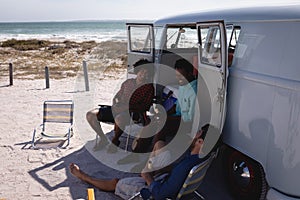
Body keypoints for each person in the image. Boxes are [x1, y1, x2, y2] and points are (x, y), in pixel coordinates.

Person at [69, 124, 211, 200]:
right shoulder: (200, 157)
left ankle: (83, 176)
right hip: (168, 181)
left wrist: (148, 177)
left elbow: (160, 194)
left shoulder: (186, 166)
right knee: (160, 145)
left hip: (154, 192)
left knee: (116, 182)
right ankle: (143, 173)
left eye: (198, 132)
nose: (195, 132)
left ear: (200, 141)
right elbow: (176, 173)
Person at [86, 59, 154, 151]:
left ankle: (115, 140)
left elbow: (144, 107)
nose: (144, 74)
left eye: (147, 73)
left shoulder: (148, 87)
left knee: (119, 118)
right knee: (91, 114)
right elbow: (117, 97)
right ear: (137, 71)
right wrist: (115, 104)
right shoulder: (128, 82)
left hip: (133, 113)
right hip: (117, 109)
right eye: (142, 71)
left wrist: (124, 108)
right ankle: (103, 138)